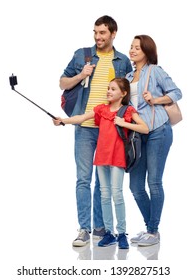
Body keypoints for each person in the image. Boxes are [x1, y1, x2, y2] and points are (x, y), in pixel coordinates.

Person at [59, 15, 132, 247]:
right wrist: (81, 75)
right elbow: (62, 82)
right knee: (83, 179)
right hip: (84, 126)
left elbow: (127, 95)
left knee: (102, 183)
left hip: (108, 130)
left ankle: (101, 227)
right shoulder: (83, 55)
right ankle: (84, 229)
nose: (98, 37)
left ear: (113, 33)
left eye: (102, 33)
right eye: (95, 32)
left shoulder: (122, 62)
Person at [53, 78, 149, 249]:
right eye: (108, 88)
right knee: (105, 195)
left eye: (113, 89)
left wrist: (124, 123)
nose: (109, 91)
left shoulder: (127, 110)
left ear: (123, 93)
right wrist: (62, 120)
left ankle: (121, 234)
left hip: (117, 158)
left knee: (117, 195)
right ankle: (109, 233)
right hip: (101, 158)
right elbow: (81, 117)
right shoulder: (101, 109)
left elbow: (145, 128)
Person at [126, 35, 182, 246]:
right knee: (136, 186)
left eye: (137, 48)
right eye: (131, 47)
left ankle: (153, 231)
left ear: (147, 51)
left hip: (158, 129)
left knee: (154, 182)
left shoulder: (155, 71)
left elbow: (177, 92)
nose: (132, 50)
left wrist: (155, 99)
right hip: (138, 134)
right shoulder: (129, 75)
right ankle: (151, 228)